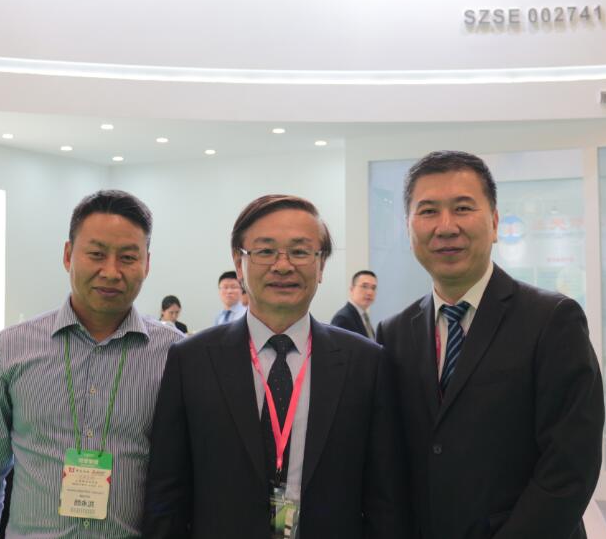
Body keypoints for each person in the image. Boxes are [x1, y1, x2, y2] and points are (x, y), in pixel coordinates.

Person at [143, 195, 410, 539]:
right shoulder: (191, 360)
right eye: (265, 251)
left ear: (321, 266)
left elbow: (384, 500)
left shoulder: (365, 363)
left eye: (300, 252)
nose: (283, 266)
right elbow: (167, 493)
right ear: (239, 263)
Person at [377, 151, 604, 539]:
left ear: (495, 222)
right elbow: (390, 466)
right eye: (428, 211)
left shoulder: (552, 320)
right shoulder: (393, 333)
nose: (446, 227)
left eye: (462, 208)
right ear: (408, 228)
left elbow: (569, 466)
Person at [0, 190, 183, 537]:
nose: (111, 272)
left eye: (127, 257)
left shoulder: (175, 354)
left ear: (147, 264)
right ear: (68, 255)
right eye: (96, 254)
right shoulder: (11, 348)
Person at [330, 270, 378, 338]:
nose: (370, 292)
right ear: (352, 289)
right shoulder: (343, 318)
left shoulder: (364, 317)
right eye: (364, 286)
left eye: (373, 288)